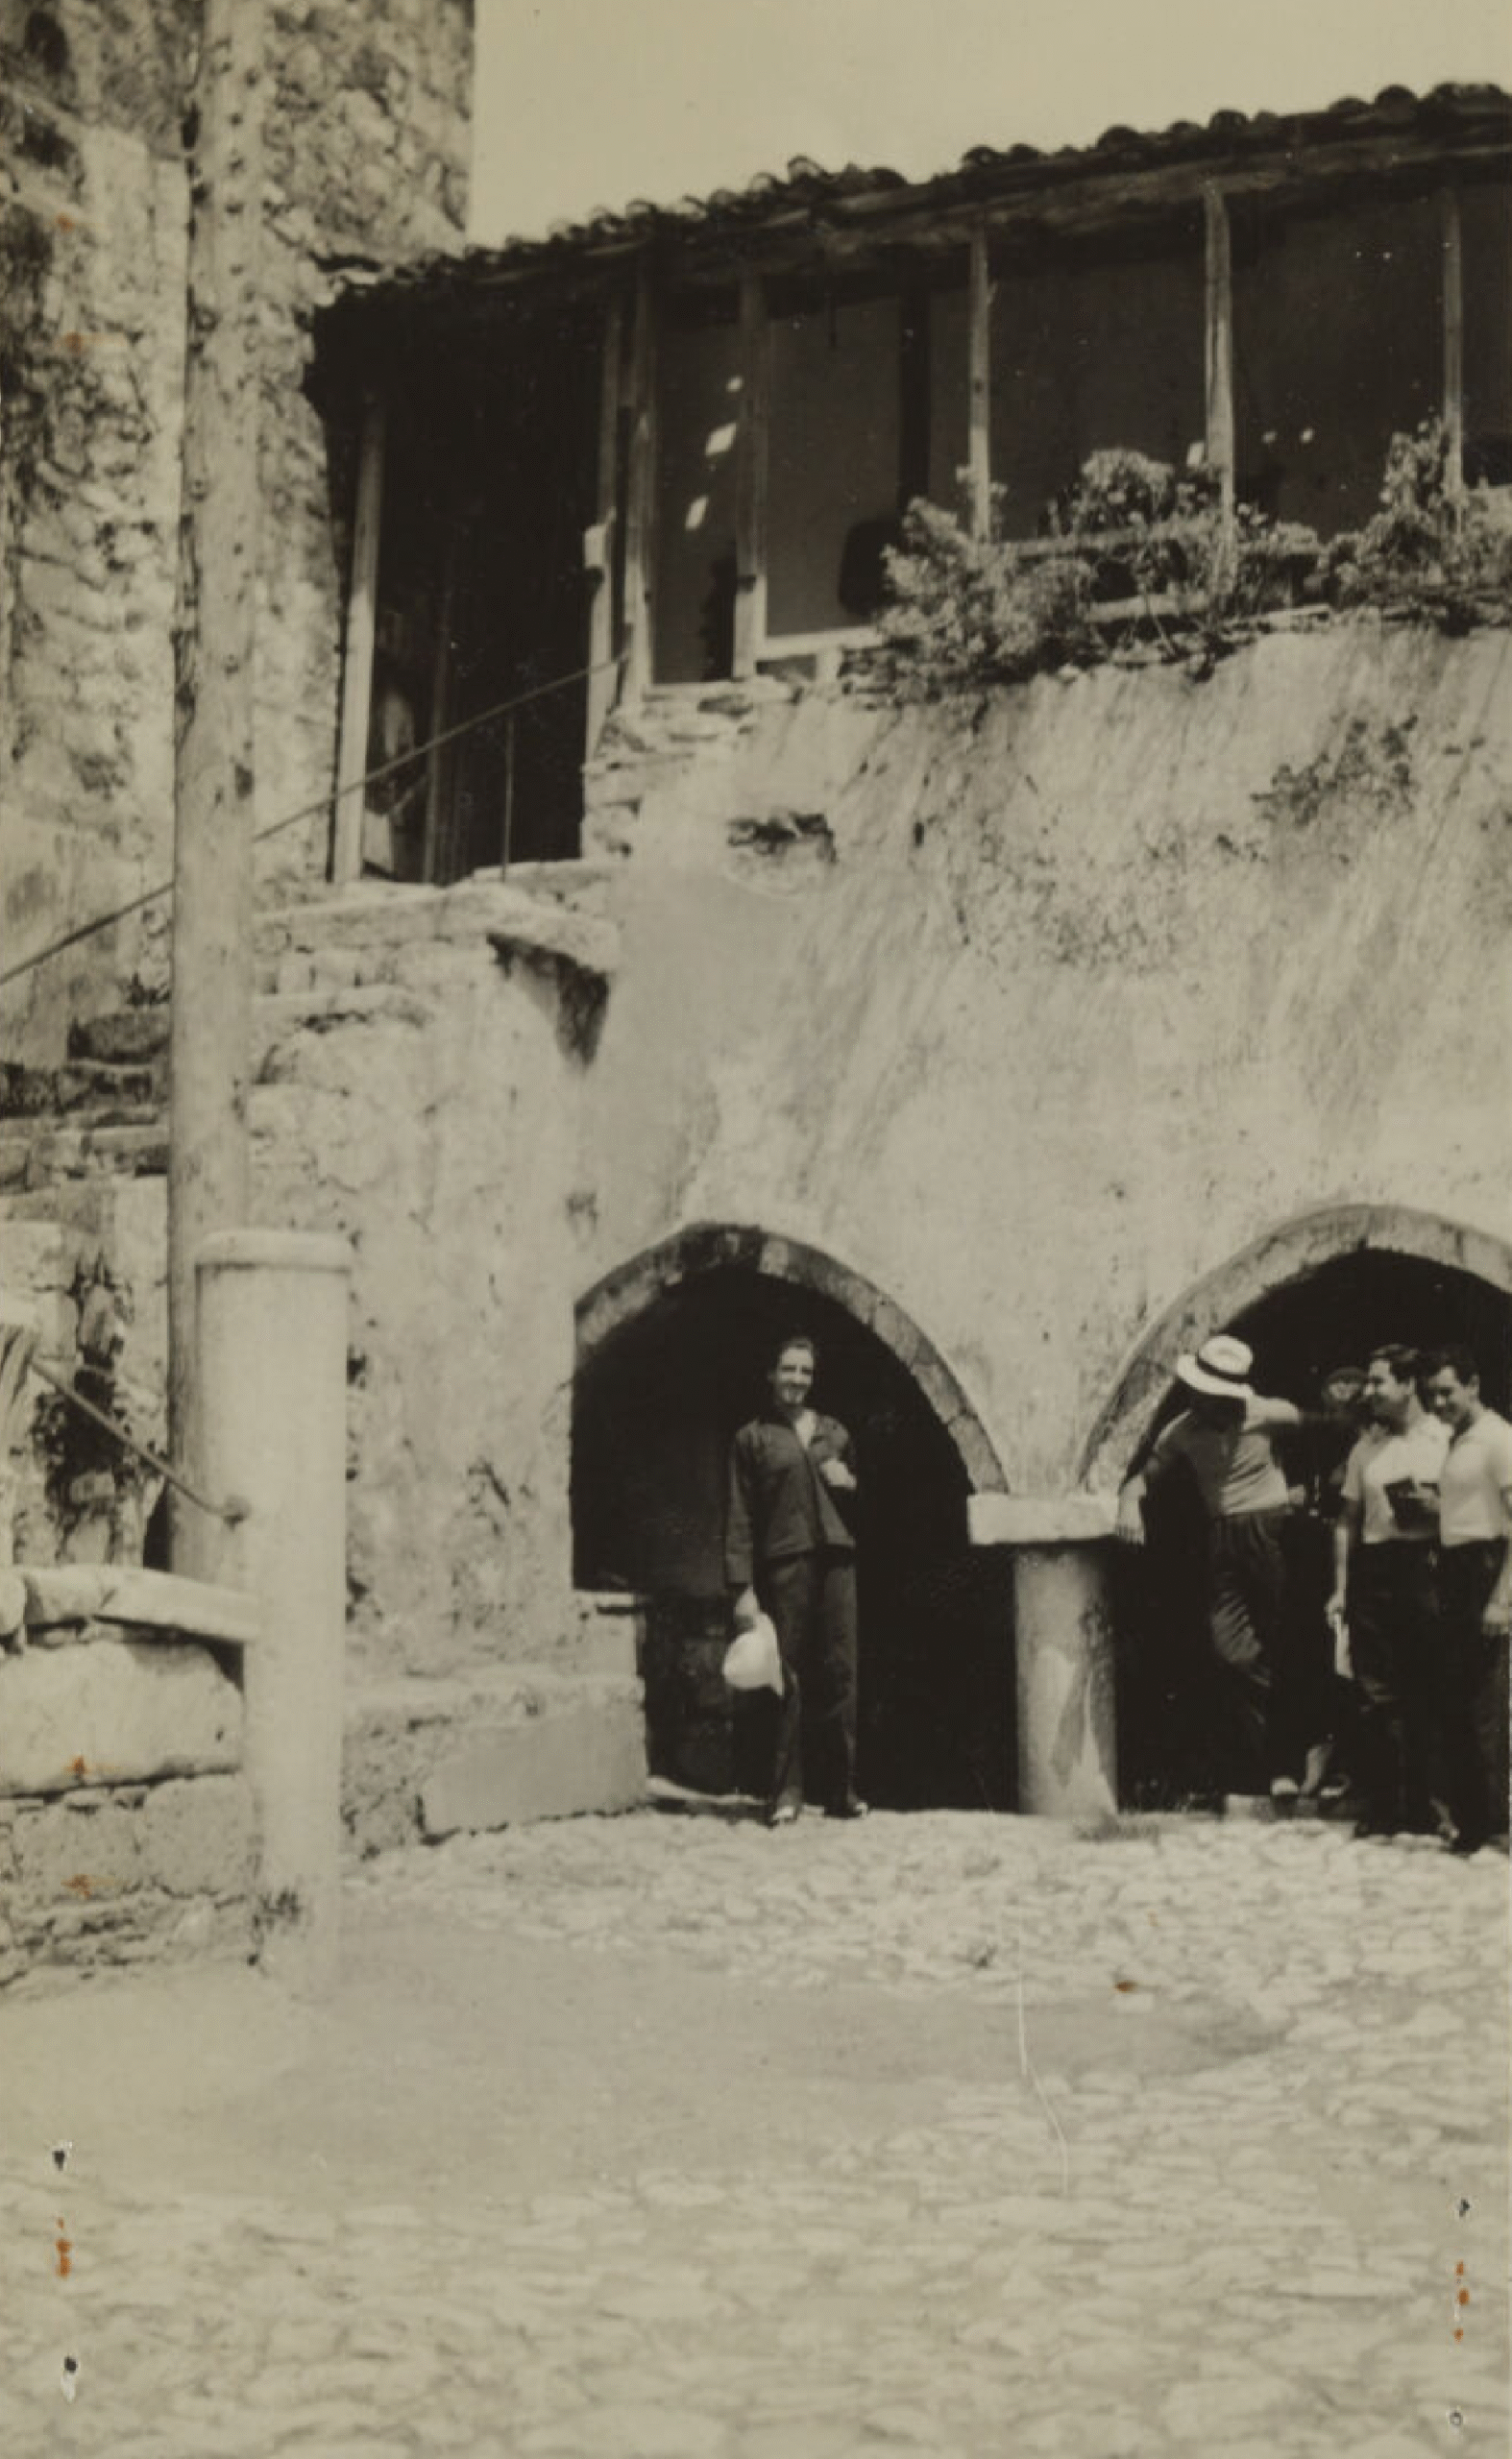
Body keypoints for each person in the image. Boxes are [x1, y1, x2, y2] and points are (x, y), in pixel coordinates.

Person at [1115, 1333, 1303, 1800]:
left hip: (1271, 1533)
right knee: (1232, 1652)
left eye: (1211, 1394)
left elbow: (1325, 1427)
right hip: (1222, 1538)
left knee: (1282, 1643)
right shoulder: (1181, 1430)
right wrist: (1127, 1503)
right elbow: (1143, 1478)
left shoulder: (1270, 1415)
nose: (1201, 1400)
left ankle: (1285, 1764)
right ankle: (1265, 1758)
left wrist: (1305, 1489)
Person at [725, 1334, 867, 1828]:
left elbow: (866, 1504)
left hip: (837, 1560)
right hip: (785, 1562)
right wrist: (741, 1586)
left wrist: (850, 1485)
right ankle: (785, 1792)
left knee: (840, 1672)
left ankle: (841, 1791)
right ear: (771, 1374)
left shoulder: (835, 1433)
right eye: (788, 1370)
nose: (797, 1381)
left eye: (805, 1372)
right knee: (786, 1677)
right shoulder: (753, 1438)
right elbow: (740, 1516)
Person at [1329, 1345, 1450, 1840]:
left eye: (1379, 1382)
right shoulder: (1366, 1447)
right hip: (1375, 1571)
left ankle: (1432, 1807)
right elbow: (1346, 1522)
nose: (1369, 1391)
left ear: (1408, 1385)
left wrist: (1435, 1507)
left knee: (1429, 1687)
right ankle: (1385, 1805)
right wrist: (1339, 1588)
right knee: (1374, 1693)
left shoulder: (1444, 1439)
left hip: (1427, 1565)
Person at [1426, 1347, 1512, 1855]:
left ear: (1474, 1385)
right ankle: (1471, 1821)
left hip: (1486, 1570)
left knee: (1484, 1703)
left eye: (1448, 1392)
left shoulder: (1499, 1439)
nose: (1439, 1403)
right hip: (1457, 1570)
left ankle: (1494, 1823)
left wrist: (1502, 1599)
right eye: (1432, 1394)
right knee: (1456, 1699)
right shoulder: (1459, 1440)